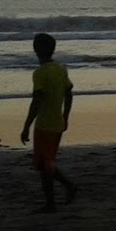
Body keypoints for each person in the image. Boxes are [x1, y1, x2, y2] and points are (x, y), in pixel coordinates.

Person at [18, 33, 76, 211]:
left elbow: (36, 102)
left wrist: (26, 126)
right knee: (47, 162)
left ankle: (54, 200)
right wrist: (65, 116)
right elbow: (69, 94)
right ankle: (64, 190)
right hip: (57, 123)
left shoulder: (40, 74)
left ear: (36, 50)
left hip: (44, 125)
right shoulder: (60, 69)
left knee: (45, 165)